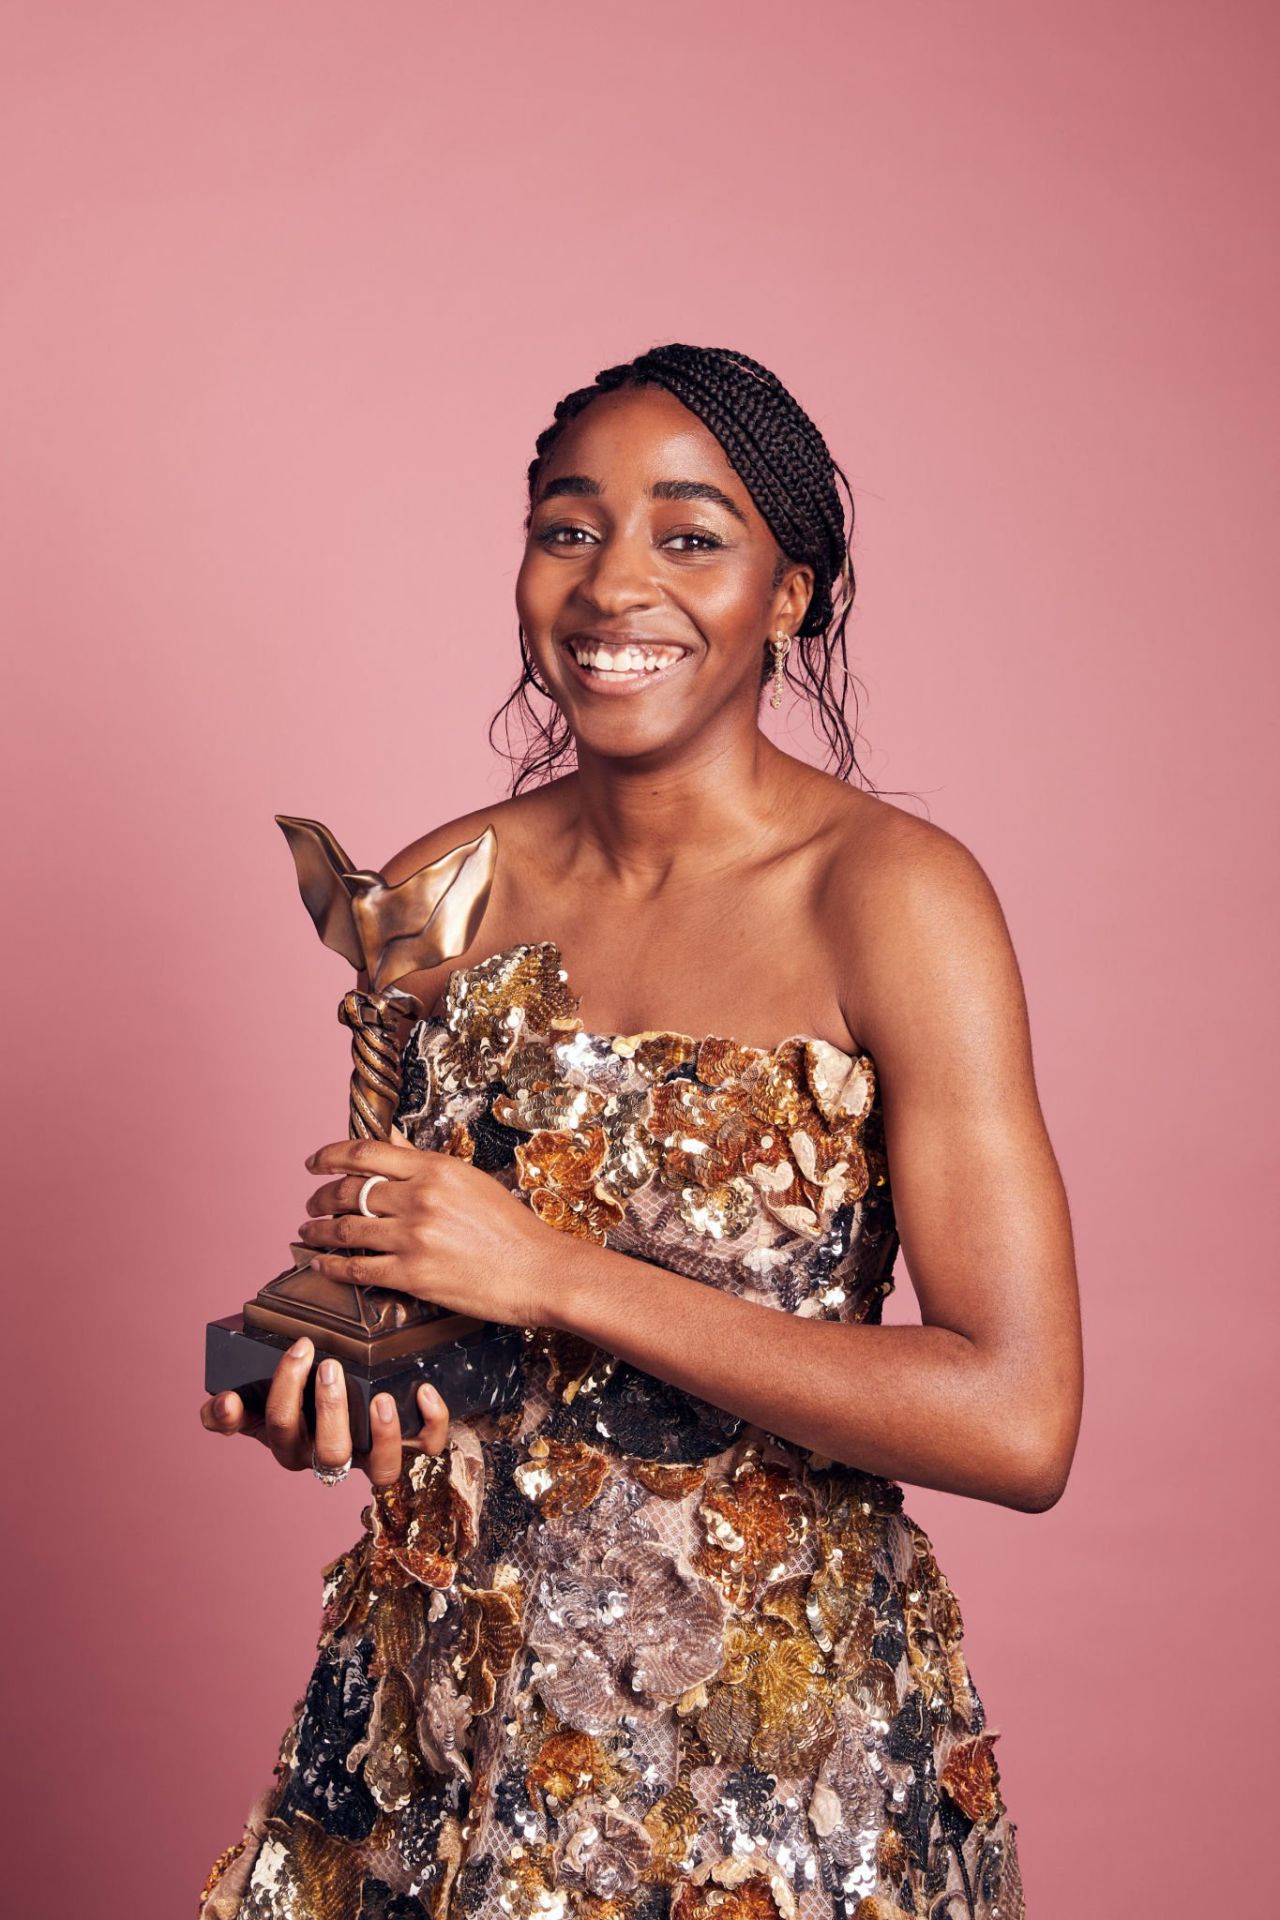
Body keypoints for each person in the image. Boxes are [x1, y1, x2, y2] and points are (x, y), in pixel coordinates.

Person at [198, 343, 1082, 1920]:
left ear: (791, 597)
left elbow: (1017, 1419)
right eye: (568, 529)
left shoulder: (891, 902)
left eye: (690, 536)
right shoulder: (440, 892)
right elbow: (416, 1299)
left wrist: (558, 1276)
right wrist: (333, 1386)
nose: (616, 587)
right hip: (438, 1741)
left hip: (765, 1774)